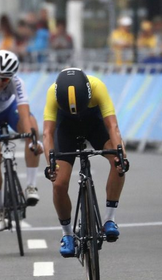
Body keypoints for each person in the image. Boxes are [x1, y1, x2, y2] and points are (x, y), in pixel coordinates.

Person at [43, 68, 128, 257]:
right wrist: (51, 164)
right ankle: (67, 234)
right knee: (58, 184)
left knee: (118, 160)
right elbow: (48, 133)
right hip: (66, 130)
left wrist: (120, 154)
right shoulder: (52, 92)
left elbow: (112, 126)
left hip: (94, 125)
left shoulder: (97, 87)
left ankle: (109, 220)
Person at [0, 50, 43, 231]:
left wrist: (33, 140)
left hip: (9, 110)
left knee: (32, 128)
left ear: (11, 78)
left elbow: (25, 116)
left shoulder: (18, 83)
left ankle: (31, 187)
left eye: (4, 79)